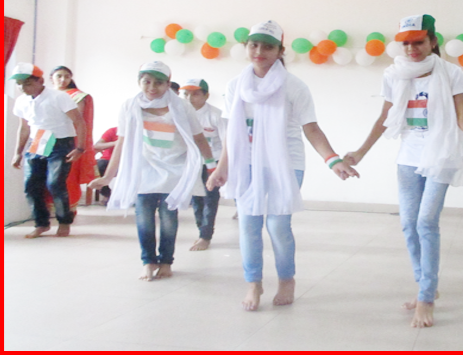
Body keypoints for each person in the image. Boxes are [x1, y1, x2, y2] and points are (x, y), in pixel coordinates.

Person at [345, 14, 463, 328]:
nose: (411, 49)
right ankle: (425, 284)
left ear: (433, 41)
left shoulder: (451, 73)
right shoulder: (394, 74)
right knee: (408, 224)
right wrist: (360, 152)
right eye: (406, 43)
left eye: (418, 42)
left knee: (426, 222)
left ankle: (426, 298)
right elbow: (384, 119)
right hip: (408, 158)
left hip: (442, 156)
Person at [206, 21, 358, 311]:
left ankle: (287, 279)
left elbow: (311, 128)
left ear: (280, 51)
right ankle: (254, 283)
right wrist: (221, 167)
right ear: (246, 47)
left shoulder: (294, 86)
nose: (259, 51)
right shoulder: (235, 85)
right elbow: (232, 132)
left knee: (277, 225)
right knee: (248, 225)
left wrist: (333, 160)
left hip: (285, 163)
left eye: (267, 46)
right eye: (254, 45)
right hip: (246, 163)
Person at [88, 61, 214, 281]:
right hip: (144, 168)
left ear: (167, 83)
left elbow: (199, 138)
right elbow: (122, 142)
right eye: (146, 82)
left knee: (168, 217)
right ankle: (148, 261)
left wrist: (212, 166)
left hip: (175, 168)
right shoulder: (130, 106)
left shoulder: (181, 107)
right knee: (144, 216)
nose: (152, 87)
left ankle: (166, 262)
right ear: (139, 82)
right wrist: (108, 176)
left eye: (158, 82)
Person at [10, 63, 87, 238]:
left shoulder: (59, 97)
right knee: (31, 185)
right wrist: (18, 152)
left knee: (55, 183)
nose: (23, 87)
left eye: (27, 83)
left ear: (40, 81)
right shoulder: (21, 101)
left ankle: (64, 222)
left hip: (61, 143)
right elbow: (24, 128)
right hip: (36, 143)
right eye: (19, 84)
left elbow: (79, 122)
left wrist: (80, 148)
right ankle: (41, 223)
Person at [180, 79, 227, 251]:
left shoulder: (216, 115)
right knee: (196, 199)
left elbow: (227, 143)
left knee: (210, 198)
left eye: (195, 94)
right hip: (191, 162)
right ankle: (202, 231)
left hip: (212, 162)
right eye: (186, 94)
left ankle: (205, 236)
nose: (189, 98)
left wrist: (219, 168)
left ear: (206, 96)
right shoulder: (180, 113)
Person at [49, 66, 97, 211]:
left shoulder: (77, 96)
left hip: (68, 140)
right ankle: (47, 208)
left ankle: (67, 209)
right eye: (59, 76)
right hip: (46, 139)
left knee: (66, 175)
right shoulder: (46, 95)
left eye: (67, 76)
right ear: (51, 78)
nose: (63, 79)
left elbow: (76, 119)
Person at [93, 127, 118, 205]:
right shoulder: (113, 131)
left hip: (128, 162)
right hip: (108, 161)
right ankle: (107, 194)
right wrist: (115, 143)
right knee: (98, 167)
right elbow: (97, 145)